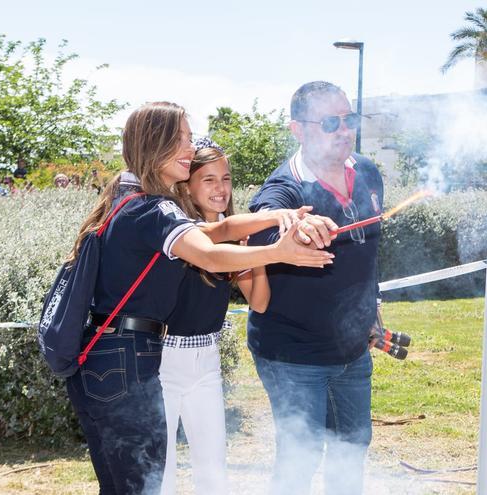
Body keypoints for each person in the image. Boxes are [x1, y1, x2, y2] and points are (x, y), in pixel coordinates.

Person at [65, 101, 334, 495]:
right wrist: (279, 252)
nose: (191, 150)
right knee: (149, 486)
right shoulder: (154, 209)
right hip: (130, 359)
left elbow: (217, 230)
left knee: (134, 485)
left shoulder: (130, 197)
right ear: (156, 145)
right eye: (183, 140)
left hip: (110, 358)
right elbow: (207, 251)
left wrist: (279, 217)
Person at [247, 81, 382, 495]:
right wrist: (293, 223)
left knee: (351, 452)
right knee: (298, 463)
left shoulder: (369, 172)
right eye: (329, 122)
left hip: (353, 351)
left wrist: (371, 311)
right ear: (299, 130)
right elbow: (265, 217)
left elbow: (367, 257)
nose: (344, 130)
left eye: (349, 119)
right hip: (293, 355)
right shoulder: (284, 187)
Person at [159, 138, 276, 495]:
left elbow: (259, 303)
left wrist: (256, 254)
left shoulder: (233, 233)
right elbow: (209, 253)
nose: (220, 188)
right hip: (161, 361)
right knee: (160, 469)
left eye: (225, 179)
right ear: (188, 184)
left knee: (213, 470)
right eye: (208, 179)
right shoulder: (178, 232)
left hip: (206, 361)